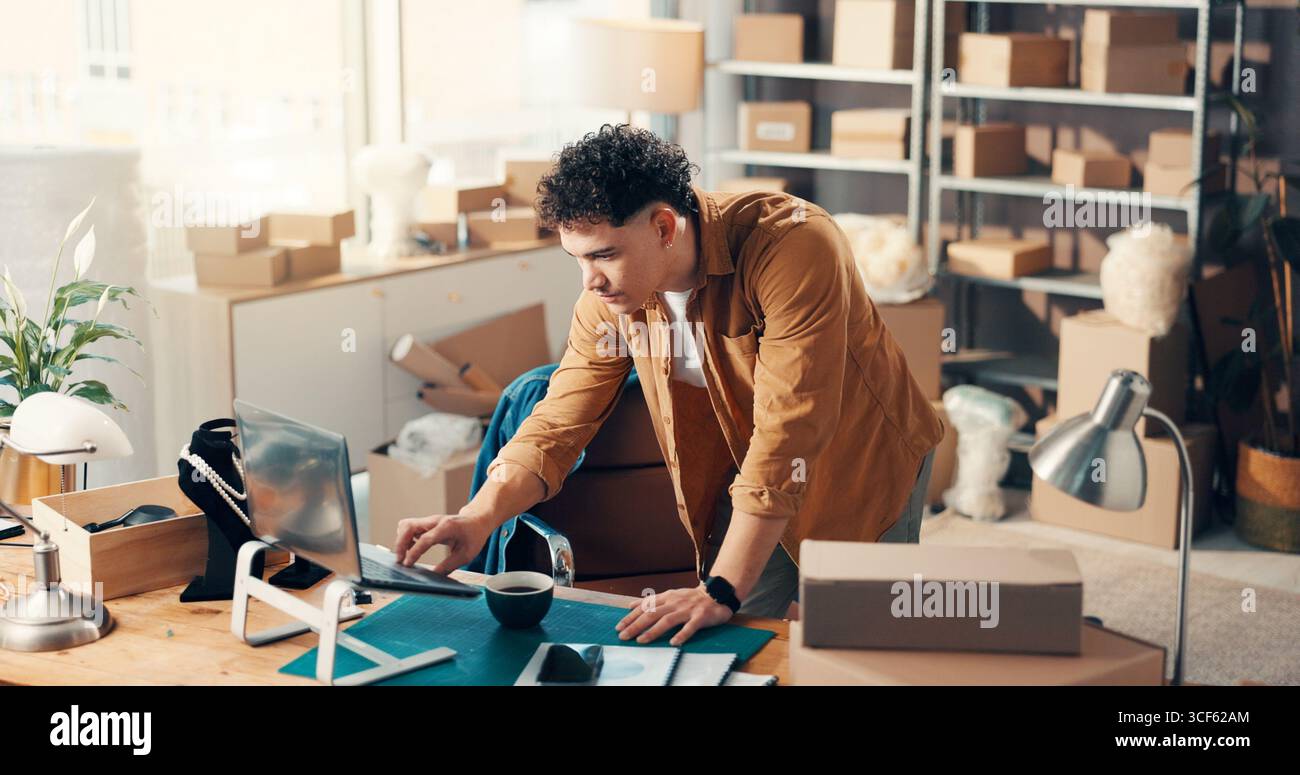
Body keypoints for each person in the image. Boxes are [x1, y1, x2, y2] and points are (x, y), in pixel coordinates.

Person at [396, 123, 943, 646]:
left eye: (604, 255)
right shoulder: (607, 304)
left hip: (862, 460)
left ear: (663, 227)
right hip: (748, 465)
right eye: (577, 259)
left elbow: (789, 432)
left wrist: (723, 589)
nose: (590, 281)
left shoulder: (792, 244)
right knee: (738, 641)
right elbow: (557, 423)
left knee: (860, 644)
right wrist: (477, 517)